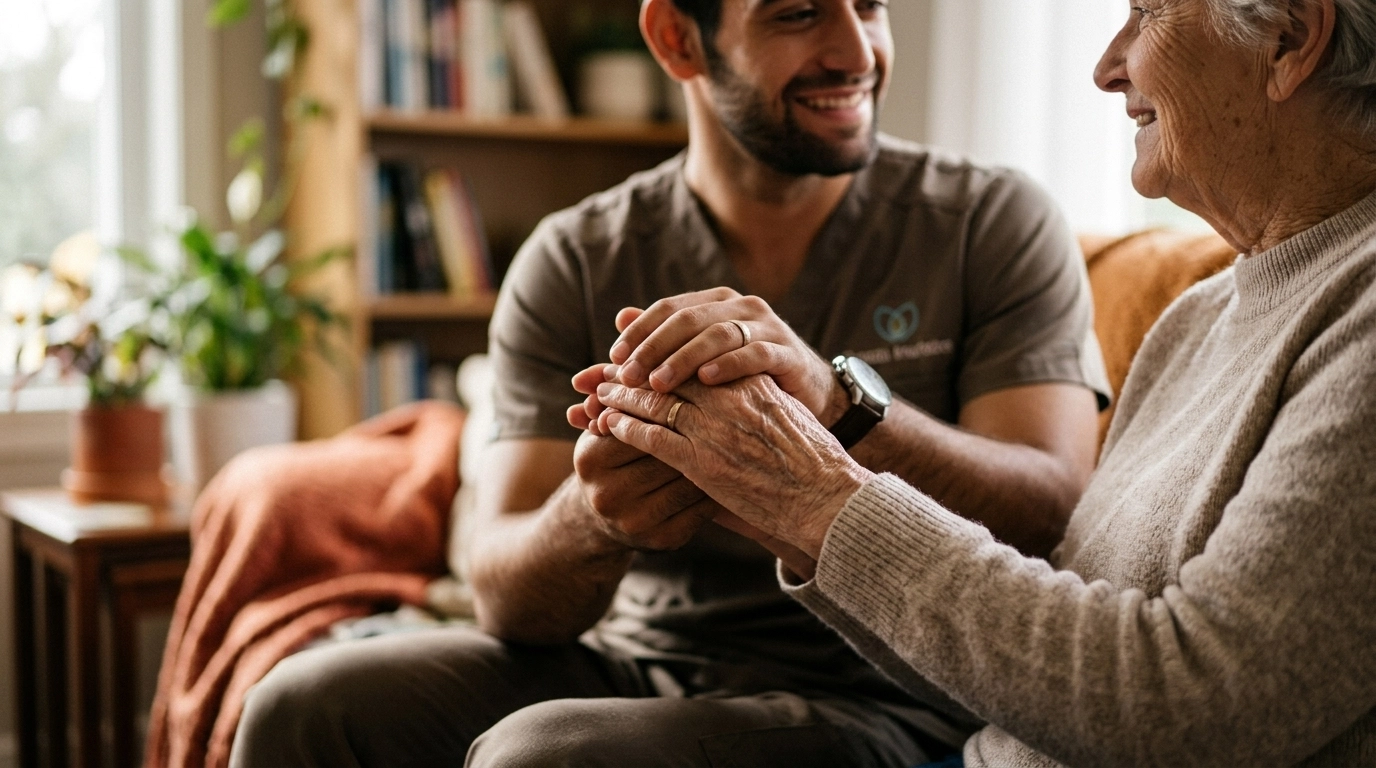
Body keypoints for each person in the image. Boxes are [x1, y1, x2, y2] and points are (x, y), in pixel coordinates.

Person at [229, 0, 1109, 765]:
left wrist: (838, 406)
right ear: (676, 38)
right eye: (797, 14)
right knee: (303, 706)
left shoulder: (989, 222)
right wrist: (594, 519)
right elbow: (499, 588)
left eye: (870, 5)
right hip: (635, 660)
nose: (857, 51)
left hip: (886, 689)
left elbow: (1052, 506)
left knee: (546, 756)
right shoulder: (574, 259)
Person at [586, 0, 1376, 764]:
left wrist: (817, 496)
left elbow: (1196, 708)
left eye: (1148, 11)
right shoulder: (1198, 316)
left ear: (1289, 38)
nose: (1108, 67)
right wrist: (769, 497)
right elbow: (1042, 654)